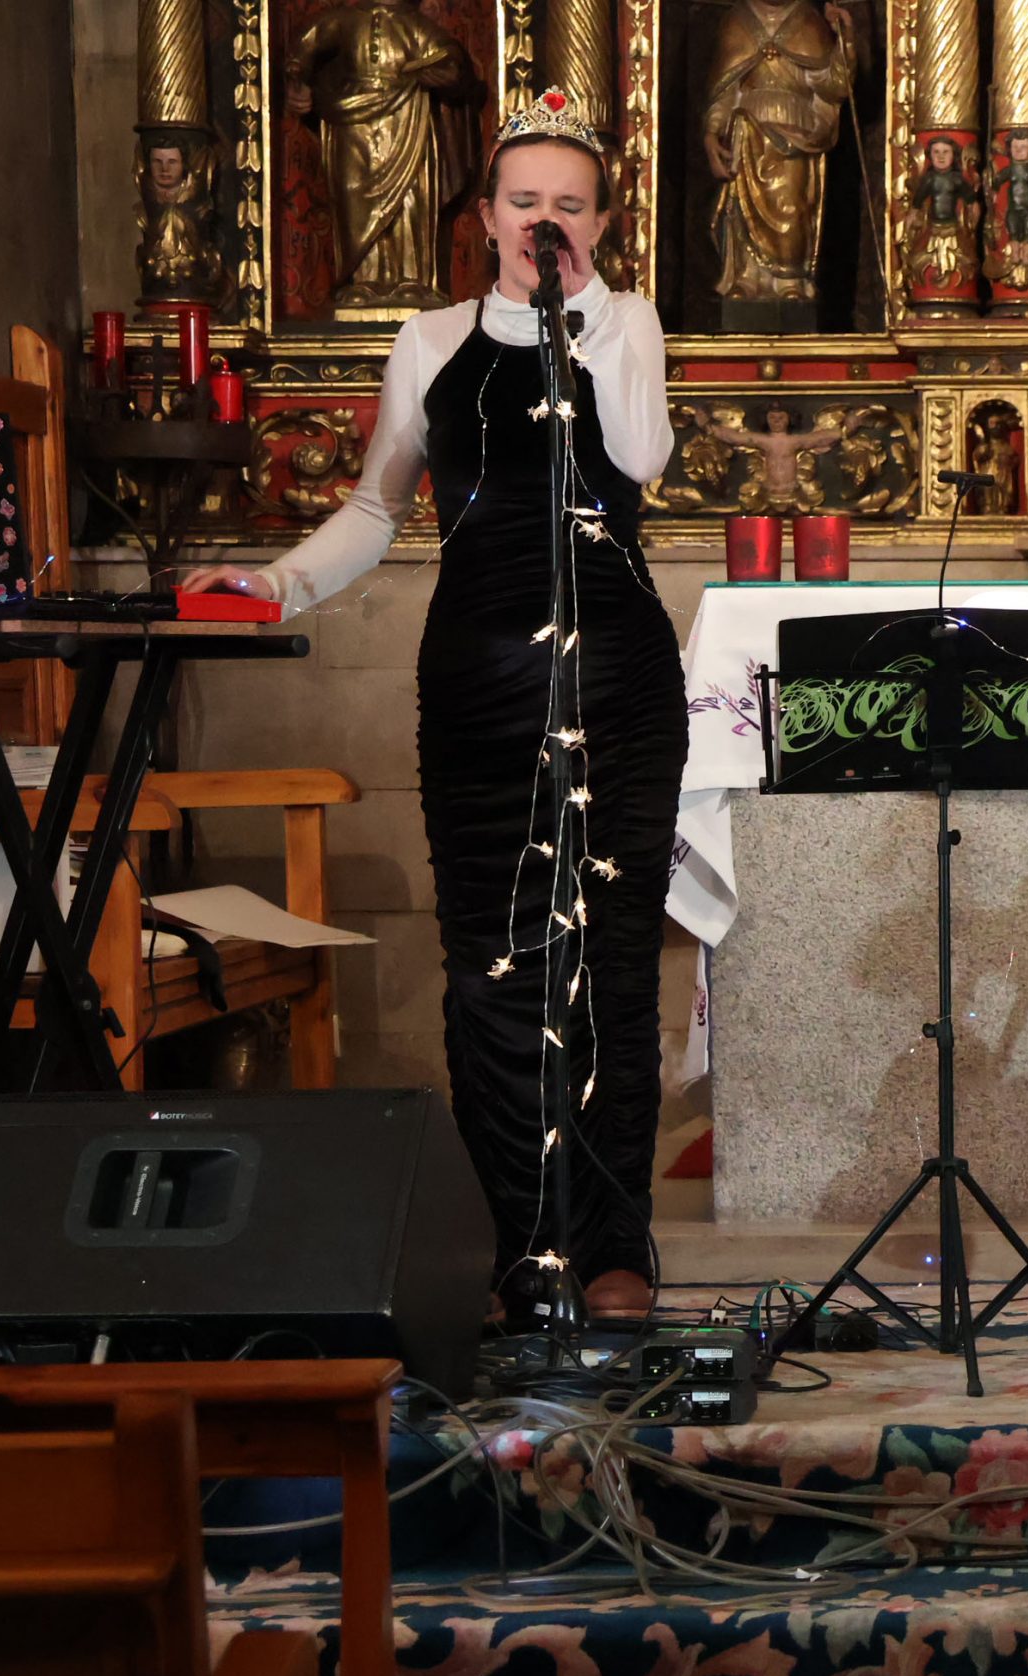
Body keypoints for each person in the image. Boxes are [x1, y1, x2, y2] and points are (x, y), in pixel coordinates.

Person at [185, 90, 679, 1323]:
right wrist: (275, 582)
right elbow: (373, 506)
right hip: (480, 676)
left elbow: (640, 454)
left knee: (608, 962)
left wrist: (590, 316)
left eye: (570, 205)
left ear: (603, 222)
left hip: (611, 672)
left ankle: (616, 1245)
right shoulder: (428, 339)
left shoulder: (626, 324)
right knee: (493, 968)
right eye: (525, 203)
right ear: (484, 216)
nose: (544, 221)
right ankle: (524, 1242)